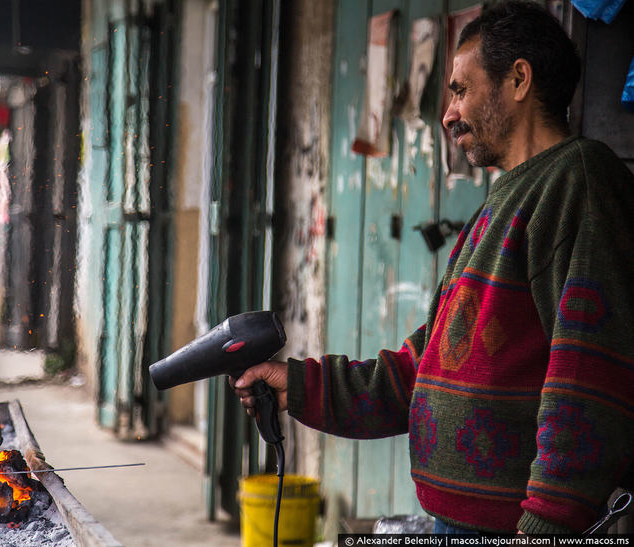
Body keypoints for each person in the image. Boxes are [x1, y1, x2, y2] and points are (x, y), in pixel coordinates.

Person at [232, 0, 634, 535]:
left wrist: (547, 527)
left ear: (518, 80)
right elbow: (419, 372)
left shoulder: (576, 182)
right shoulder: (498, 208)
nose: (448, 113)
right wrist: (302, 387)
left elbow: (588, 381)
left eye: (461, 90)